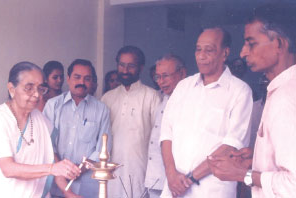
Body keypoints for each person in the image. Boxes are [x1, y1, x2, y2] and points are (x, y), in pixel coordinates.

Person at [208, 3, 296, 197]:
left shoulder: (286, 97)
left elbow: (293, 185)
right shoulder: (281, 89)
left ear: (279, 44)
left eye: (251, 43)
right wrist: (256, 158)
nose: (243, 52)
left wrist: (244, 175)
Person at [159, 27, 253, 198]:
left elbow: (231, 146)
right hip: (173, 188)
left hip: (213, 189)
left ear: (225, 53)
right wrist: (171, 174)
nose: (201, 56)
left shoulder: (240, 91)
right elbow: (166, 135)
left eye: (209, 50)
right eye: (198, 49)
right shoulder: (183, 87)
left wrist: (190, 179)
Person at [0, 61, 81, 198]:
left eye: (40, 89)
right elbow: (8, 169)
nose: (37, 95)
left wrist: (67, 192)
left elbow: (52, 158)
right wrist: (52, 169)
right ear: (11, 89)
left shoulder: (39, 118)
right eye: (29, 88)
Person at [43, 59, 112, 198]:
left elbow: (103, 148)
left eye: (87, 78)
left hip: (87, 184)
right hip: (55, 182)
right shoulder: (53, 106)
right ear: (68, 79)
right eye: (77, 77)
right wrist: (62, 168)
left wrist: (80, 169)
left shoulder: (101, 109)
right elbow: (46, 144)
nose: (82, 82)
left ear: (92, 82)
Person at [101, 46, 160, 198]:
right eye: (121, 65)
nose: (125, 70)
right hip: (112, 169)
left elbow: (157, 138)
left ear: (140, 67)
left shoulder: (152, 97)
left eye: (131, 66)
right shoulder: (107, 98)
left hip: (140, 169)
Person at [144, 54, 186, 198]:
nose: (161, 81)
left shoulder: (190, 99)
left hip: (176, 180)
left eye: (165, 76)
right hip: (154, 177)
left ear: (182, 73)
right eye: (157, 77)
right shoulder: (160, 97)